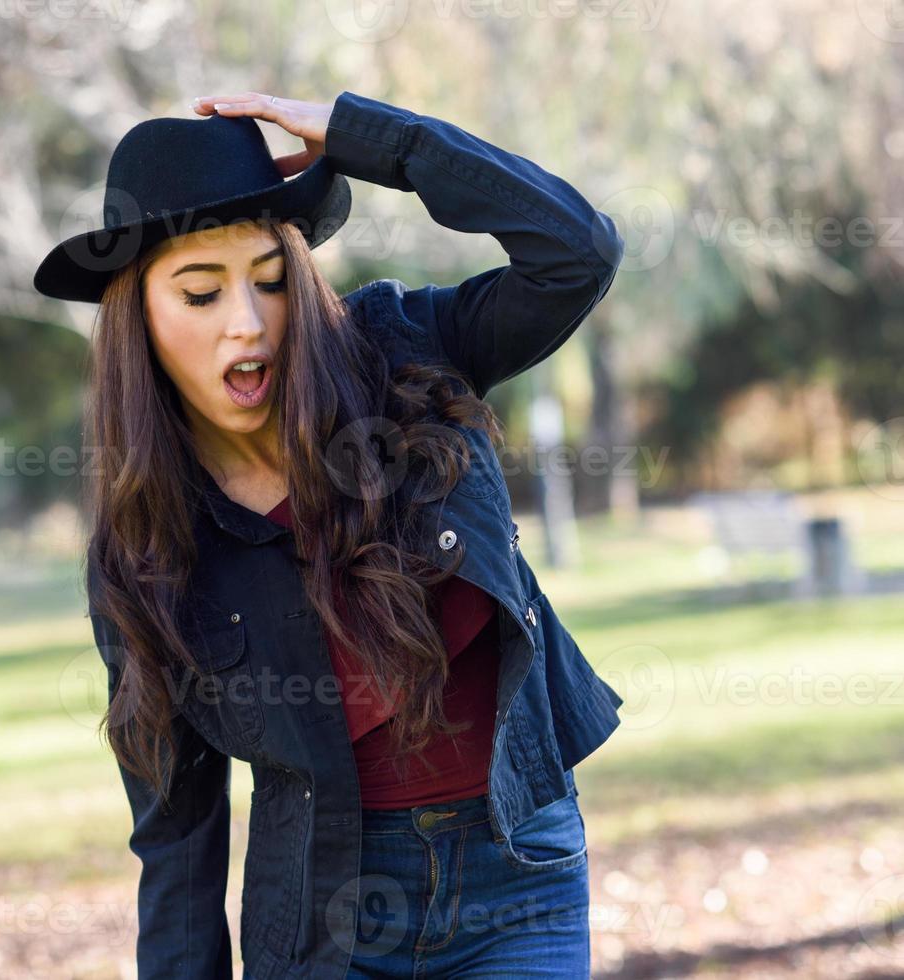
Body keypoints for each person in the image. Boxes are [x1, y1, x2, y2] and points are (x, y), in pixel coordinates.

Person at [34, 89, 626, 979]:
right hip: (326, 920)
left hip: (519, 876)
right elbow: (177, 842)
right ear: (138, 321)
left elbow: (575, 253)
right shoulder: (143, 558)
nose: (248, 319)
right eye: (200, 290)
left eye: (271, 279)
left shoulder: (402, 350)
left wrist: (374, 140)